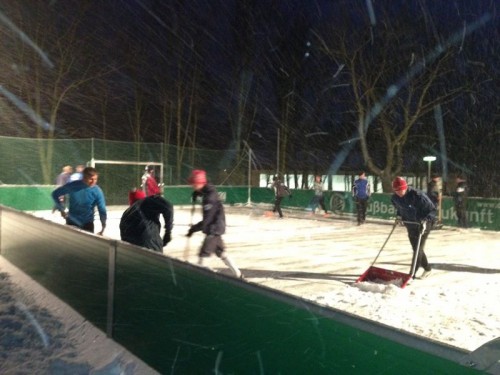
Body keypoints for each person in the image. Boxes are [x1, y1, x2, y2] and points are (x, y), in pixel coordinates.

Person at [185, 170, 243, 278]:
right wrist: (198, 193)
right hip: (216, 227)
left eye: (193, 184)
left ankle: (206, 279)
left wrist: (193, 229)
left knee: (204, 256)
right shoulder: (207, 190)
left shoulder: (209, 198)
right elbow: (205, 190)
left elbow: (207, 220)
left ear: (199, 183)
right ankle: (238, 274)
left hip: (213, 228)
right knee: (221, 252)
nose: (192, 186)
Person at [391, 177, 436, 279]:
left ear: (405, 187)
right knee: (416, 248)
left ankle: (412, 275)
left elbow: (432, 210)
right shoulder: (395, 198)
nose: (399, 193)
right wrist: (399, 216)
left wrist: (425, 221)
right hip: (410, 223)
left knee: (417, 249)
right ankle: (427, 268)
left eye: (401, 190)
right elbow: (399, 208)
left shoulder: (418, 196)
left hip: (424, 223)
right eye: (396, 191)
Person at [51, 167, 107, 235]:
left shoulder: (97, 191)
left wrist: (103, 225)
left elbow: (102, 209)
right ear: (84, 177)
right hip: (72, 222)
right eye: (91, 179)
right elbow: (55, 194)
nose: (93, 181)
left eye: (95, 179)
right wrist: (61, 209)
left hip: (87, 224)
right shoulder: (73, 186)